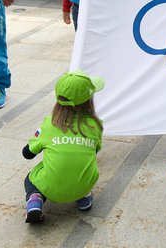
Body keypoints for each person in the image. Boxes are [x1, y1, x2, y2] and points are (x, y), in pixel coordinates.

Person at [22, 71, 104, 223]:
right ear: (89, 101)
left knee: (31, 178)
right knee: (82, 167)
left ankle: (35, 200)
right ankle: (83, 197)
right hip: (85, 183)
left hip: (52, 187)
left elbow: (27, 153)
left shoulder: (49, 124)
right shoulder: (96, 126)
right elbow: (95, 151)